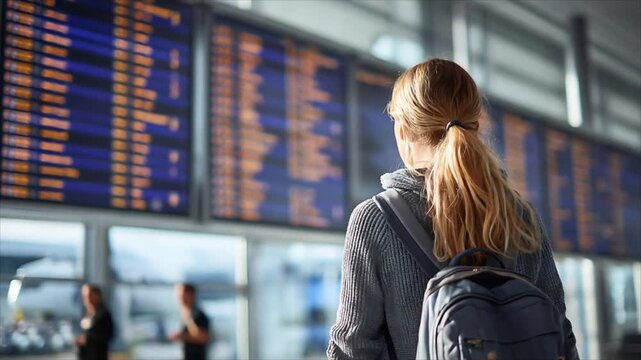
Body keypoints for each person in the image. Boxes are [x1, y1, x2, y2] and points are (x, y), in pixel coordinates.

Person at [327, 58, 578, 360]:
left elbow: (353, 347)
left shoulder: (376, 219)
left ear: (403, 129)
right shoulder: (521, 217)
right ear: (475, 125)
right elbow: (558, 332)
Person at [169, 283, 211, 360]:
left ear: (192, 295)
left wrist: (182, 336)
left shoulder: (199, 315)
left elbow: (203, 337)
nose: (180, 298)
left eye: (182, 295)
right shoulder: (183, 314)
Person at [75, 284, 114, 360]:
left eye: (90, 295)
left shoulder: (103, 315)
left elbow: (108, 335)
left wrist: (88, 339)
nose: (87, 299)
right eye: (85, 296)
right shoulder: (87, 315)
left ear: (98, 296)